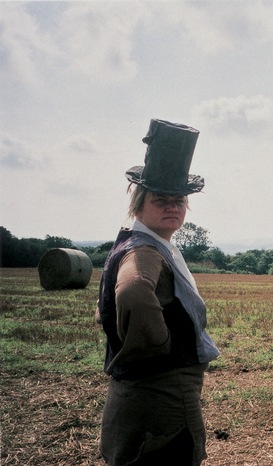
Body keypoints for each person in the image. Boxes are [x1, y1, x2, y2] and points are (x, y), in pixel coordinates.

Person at [97, 119, 220, 466]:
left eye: (178, 200)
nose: (172, 207)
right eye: (160, 199)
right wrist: (157, 345)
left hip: (137, 393)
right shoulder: (145, 251)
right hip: (161, 394)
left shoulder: (141, 243)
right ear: (138, 204)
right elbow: (134, 291)